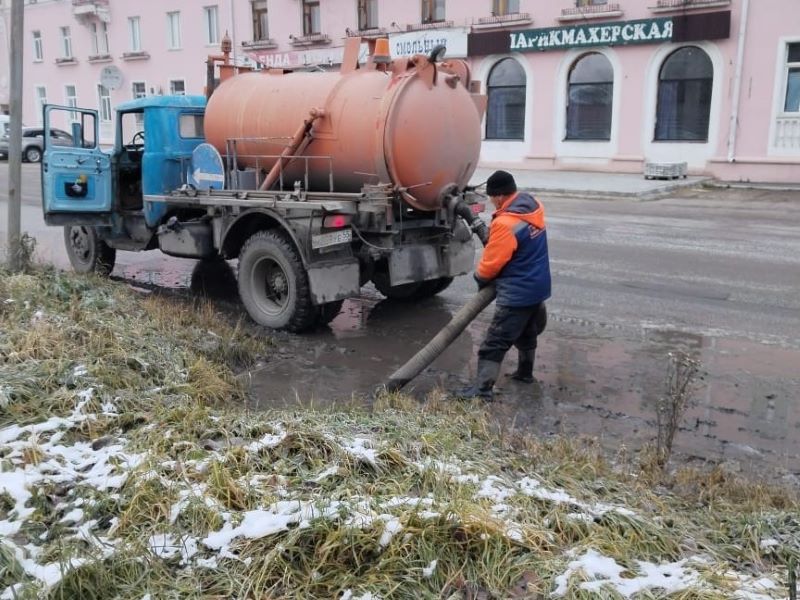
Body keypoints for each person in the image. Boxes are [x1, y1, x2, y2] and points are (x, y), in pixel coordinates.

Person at [456, 170, 551, 401]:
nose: (490, 202)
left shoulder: (506, 223)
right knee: (527, 333)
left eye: (491, 197)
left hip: (517, 292)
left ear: (498, 196)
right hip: (538, 286)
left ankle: (482, 390)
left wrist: (480, 279)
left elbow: (492, 264)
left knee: (494, 343)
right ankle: (525, 373)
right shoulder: (533, 206)